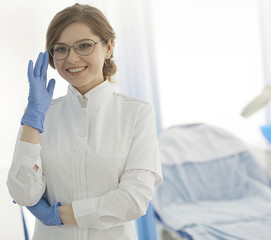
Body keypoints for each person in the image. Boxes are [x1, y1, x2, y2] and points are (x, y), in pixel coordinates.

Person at [7, 3, 163, 240]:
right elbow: (23, 194)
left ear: (109, 46)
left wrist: (58, 214)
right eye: (61, 49)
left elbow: (133, 200)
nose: (72, 58)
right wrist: (32, 117)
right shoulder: (41, 116)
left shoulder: (137, 114)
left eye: (84, 46)